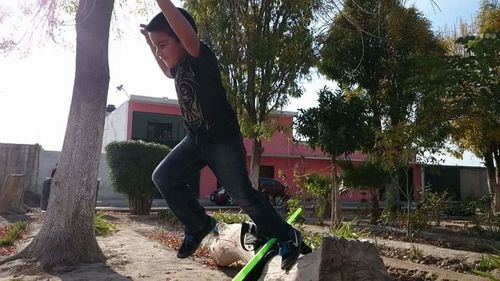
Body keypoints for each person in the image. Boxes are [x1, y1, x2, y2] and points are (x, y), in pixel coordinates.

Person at [142, 1, 302, 271]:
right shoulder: (177, 68)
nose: (160, 53)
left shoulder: (198, 57)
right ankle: (198, 224)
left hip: (222, 141)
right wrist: (150, 42)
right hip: (195, 140)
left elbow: (187, 35)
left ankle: (288, 236)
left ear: (181, 40)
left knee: (243, 196)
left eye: (163, 46)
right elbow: (162, 66)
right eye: (157, 48)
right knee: (163, 177)